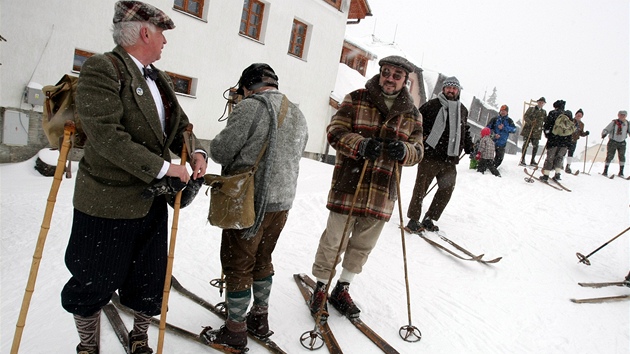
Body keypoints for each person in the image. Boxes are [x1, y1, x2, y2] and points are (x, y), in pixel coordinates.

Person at [60, 2, 208, 354]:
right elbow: (106, 135)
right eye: (161, 34)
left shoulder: (158, 78)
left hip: (151, 202)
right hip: (107, 203)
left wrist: (198, 151)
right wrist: (164, 168)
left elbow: (180, 128)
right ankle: (88, 345)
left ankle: (139, 337)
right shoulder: (102, 69)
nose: (164, 43)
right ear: (144, 32)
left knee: (149, 281)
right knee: (93, 282)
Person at [200, 63, 308, 350]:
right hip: (281, 203)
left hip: (250, 201)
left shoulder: (250, 107)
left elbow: (221, 151)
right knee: (263, 259)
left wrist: (237, 113)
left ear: (246, 86)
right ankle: (260, 319)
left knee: (238, 263)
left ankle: (235, 331)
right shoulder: (297, 112)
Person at [309, 56, 423, 320]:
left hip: (382, 192)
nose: (390, 78)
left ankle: (342, 288)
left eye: (397, 75)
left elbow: (418, 151)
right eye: (386, 73)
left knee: (362, 245)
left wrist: (405, 150)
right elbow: (335, 131)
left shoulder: (412, 114)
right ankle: (321, 288)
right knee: (333, 242)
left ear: (405, 80)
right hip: (349, 183)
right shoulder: (356, 98)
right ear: (380, 73)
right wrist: (359, 144)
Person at [406, 76, 473, 233]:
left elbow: (465, 129)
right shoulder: (432, 105)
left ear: (458, 90)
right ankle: (413, 219)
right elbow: (417, 123)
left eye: (454, 88)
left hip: (450, 158)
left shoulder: (462, 109)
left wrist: (469, 145)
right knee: (420, 189)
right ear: (443, 89)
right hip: (430, 155)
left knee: (446, 190)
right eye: (448, 87)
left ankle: (429, 218)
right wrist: (425, 137)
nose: (451, 90)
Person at [540, 100, 570, 181]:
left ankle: (546, 175)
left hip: (554, 139)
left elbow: (547, 126)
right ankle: (557, 174)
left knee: (550, 157)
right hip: (564, 141)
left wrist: (548, 135)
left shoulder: (553, 113)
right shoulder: (568, 115)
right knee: (559, 158)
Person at [601, 110, 629, 177]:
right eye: (621, 114)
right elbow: (607, 129)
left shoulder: (627, 123)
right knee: (610, 156)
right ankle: (605, 171)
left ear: (626, 116)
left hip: (622, 142)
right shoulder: (614, 123)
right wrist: (604, 133)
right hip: (613, 141)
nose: (622, 116)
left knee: (622, 157)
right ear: (618, 115)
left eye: (624, 115)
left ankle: (621, 172)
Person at [520, 97, 547, 166]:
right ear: (537, 102)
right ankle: (522, 159)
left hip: (537, 132)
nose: (541, 104)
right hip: (528, 130)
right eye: (540, 102)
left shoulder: (544, 112)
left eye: (542, 103)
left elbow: (545, 121)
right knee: (525, 144)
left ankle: (533, 160)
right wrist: (530, 122)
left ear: (544, 104)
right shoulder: (531, 109)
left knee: (536, 146)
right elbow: (525, 116)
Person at [565, 108, 590, 173]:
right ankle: (560, 164)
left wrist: (585, 134)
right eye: (578, 114)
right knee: (563, 151)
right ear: (575, 114)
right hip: (567, 138)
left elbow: (581, 133)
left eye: (580, 115)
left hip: (574, 140)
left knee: (571, 153)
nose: (579, 116)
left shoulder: (581, 124)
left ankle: (568, 166)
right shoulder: (571, 120)